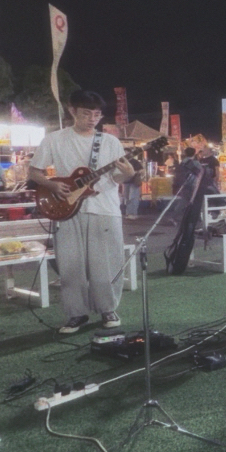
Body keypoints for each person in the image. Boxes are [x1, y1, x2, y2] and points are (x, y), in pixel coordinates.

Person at [29, 90, 134, 334]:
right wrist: (53, 185)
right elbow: (34, 172)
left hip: (104, 208)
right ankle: (76, 313)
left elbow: (117, 176)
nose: (92, 119)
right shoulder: (54, 139)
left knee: (107, 262)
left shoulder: (110, 142)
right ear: (72, 111)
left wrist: (128, 174)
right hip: (67, 209)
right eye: (86, 113)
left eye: (97, 115)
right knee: (70, 264)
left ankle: (108, 308)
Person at [121, 147, 146, 220]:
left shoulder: (134, 161)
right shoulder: (123, 162)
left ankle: (133, 213)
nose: (125, 154)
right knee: (127, 198)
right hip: (126, 182)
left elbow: (142, 170)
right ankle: (128, 213)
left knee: (133, 198)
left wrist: (134, 173)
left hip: (133, 182)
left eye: (126, 153)